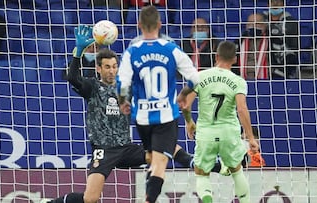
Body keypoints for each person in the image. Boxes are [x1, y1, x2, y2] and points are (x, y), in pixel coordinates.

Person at [49, 25, 225, 203]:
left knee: (163, 148)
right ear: (98, 69)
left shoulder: (126, 87)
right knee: (90, 199)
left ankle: (195, 163)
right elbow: (72, 78)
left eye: (114, 66)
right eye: (107, 67)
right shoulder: (92, 87)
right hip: (104, 150)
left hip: (126, 148)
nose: (112, 70)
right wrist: (78, 52)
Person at [116, 5, 200, 203]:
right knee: (160, 164)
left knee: (154, 160)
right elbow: (196, 79)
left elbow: (122, 84)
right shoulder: (171, 49)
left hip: (142, 118)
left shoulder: (131, 52)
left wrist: (123, 102)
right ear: (160, 24)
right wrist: (184, 93)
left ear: (139, 25)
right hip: (166, 116)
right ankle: (149, 200)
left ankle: (148, 196)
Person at [178, 41, 259, 203]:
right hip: (229, 132)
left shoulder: (200, 77)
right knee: (237, 171)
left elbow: (185, 104)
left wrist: (189, 122)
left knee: (201, 173)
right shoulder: (238, 81)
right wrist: (250, 138)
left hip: (206, 132)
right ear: (235, 59)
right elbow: (242, 110)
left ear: (216, 57)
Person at [264, 0, 299, 79]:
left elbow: (293, 45)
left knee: (290, 57)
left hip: (284, 55)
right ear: (267, 5)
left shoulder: (290, 21)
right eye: (272, 2)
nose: (275, 4)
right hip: (265, 53)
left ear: (283, 5)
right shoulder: (262, 19)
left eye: (278, 2)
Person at [233, 13, 270, 80]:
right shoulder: (239, 41)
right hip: (240, 78)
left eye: (257, 24)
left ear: (265, 26)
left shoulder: (272, 41)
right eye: (250, 24)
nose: (253, 26)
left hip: (268, 78)